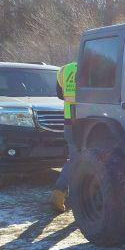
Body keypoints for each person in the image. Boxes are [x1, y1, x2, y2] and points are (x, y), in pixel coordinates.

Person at [50, 62, 77, 213]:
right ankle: (59, 192)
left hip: (69, 120)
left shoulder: (64, 69)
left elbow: (60, 95)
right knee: (81, 159)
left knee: (75, 158)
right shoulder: (93, 65)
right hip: (89, 119)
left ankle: (70, 196)